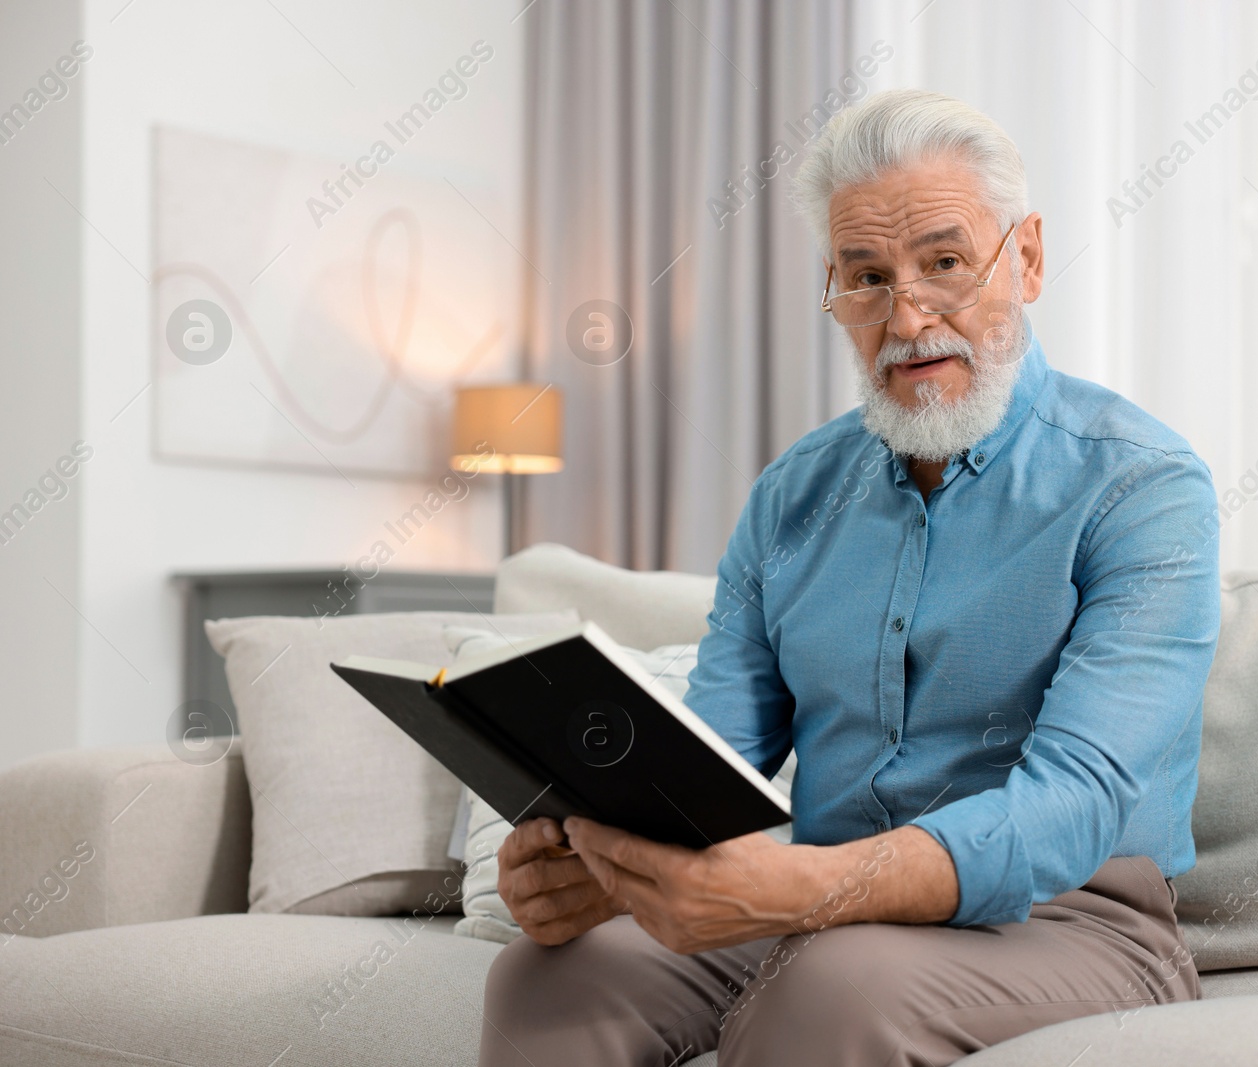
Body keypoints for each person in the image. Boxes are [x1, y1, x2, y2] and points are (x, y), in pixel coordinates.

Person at [479, 88, 1219, 1067]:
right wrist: (591, 867)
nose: (906, 315)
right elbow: (713, 769)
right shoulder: (790, 497)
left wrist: (805, 889)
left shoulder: (1142, 486)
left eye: (944, 263)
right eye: (864, 277)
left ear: (1026, 258)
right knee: (550, 977)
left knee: (833, 987)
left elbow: (1071, 805)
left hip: (1073, 916)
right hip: (815, 903)